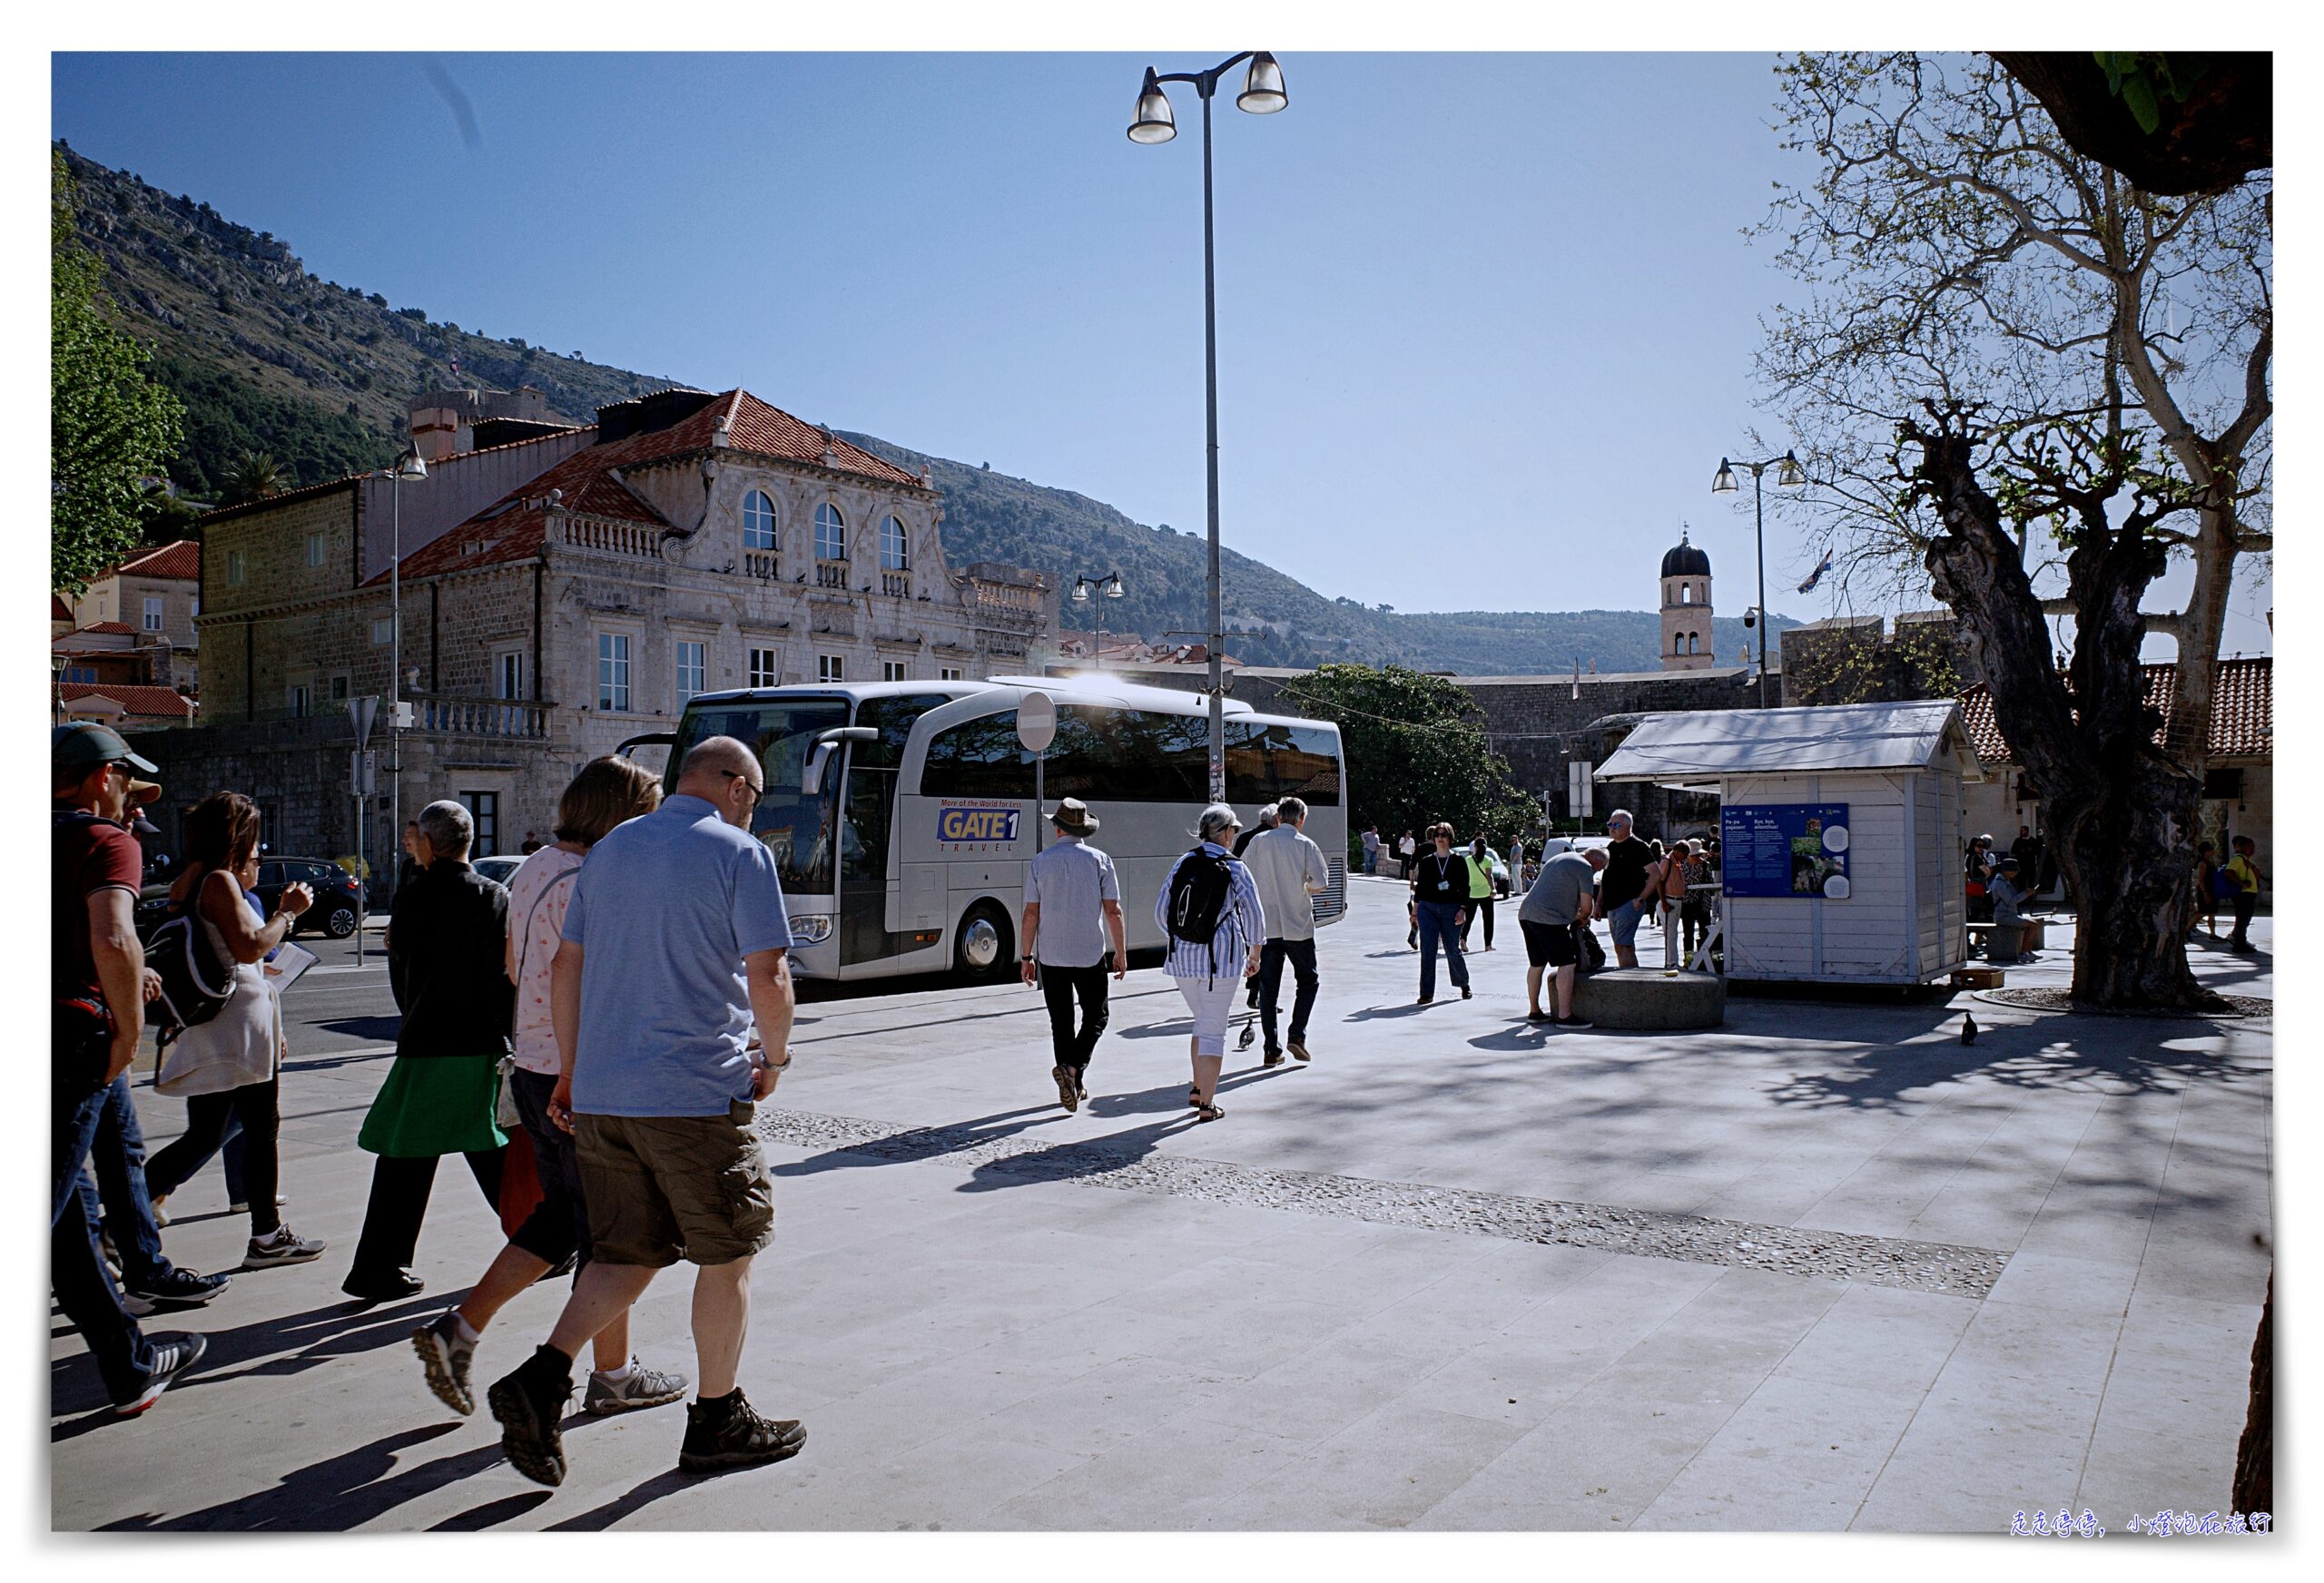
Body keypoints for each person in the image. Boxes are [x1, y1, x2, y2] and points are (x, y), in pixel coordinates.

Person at [487, 738, 803, 1487]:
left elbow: (567, 966)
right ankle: (719, 1419)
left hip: (603, 1093)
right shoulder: (738, 852)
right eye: (752, 798)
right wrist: (776, 1059)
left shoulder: (611, 849)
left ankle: (541, 1379)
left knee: (626, 1250)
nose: (750, 811)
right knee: (728, 1249)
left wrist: (572, 1071)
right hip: (692, 1092)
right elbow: (770, 972)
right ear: (733, 786)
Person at [413, 757, 689, 1420]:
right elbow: (603, 982)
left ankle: (462, 1328)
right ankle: (610, 1374)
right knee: (617, 1232)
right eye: (647, 811)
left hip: (535, 1067)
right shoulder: (595, 879)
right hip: (581, 1072)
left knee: (570, 1218)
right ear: (620, 814)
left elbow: (513, 966)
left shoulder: (533, 869)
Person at [51, 723, 210, 1413]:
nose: (132, 803)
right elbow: (113, 935)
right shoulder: (104, 842)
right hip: (75, 1035)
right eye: (128, 783)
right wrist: (129, 1035)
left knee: (74, 1212)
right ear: (101, 776)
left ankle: (129, 1364)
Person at [143, 791, 328, 1273]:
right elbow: (249, 947)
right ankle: (266, 1236)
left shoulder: (192, 878)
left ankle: (128, 1221)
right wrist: (287, 913)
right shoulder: (219, 881)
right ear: (237, 833)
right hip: (237, 1027)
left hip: (218, 1021)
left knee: (206, 1133)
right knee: (259, 1127)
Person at [341, 800, 512, 1303]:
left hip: (424, 1036)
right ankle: (539, 1241)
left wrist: (412, 1012)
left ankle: (379, 1265)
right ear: (470, 842)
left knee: (411, 1154)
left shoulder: (411, 897)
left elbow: (400, 969)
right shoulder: (493, 896)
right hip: (476, 1040)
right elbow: (503, 976)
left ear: (431, 845)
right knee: (487, 1147)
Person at [1156, 805, 1265, 1123]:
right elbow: (1255, 915)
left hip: (1183, 961)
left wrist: (1183, 937)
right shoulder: (1235, 867)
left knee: (1201, 1021)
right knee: (1214, 1030)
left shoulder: (1184, 862)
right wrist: (1254, 953)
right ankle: (1207, 1104)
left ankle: (1196, 1087)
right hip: (1222, 961)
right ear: (1228, 832)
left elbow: (1161, 912)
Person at [1019, 797, 1126, 1113]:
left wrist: (1025, 957)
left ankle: (1070, 1076)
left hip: (1051, 954)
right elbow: (1113, 911)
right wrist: (1120, 952)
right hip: (1089, 953)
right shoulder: (1100, 860)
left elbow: (1030, 914)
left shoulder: (1041, 862)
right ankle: (1073, 1072)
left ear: (1057, 829)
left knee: (1060, 1021)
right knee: (1097, 1015)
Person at [1243, 794, 1331, 1067]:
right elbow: (1321, 882)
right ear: (1301, 819)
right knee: (1308, 980)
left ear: (1278, 817)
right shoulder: (1306, 845)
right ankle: (1297, 1034)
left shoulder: (1258, 842)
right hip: (1298, 925)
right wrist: (1303, 887)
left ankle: (1271, 1048)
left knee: (1268, 989)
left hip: (1266, 926)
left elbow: (1243, 873)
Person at [1520, 844, 1604, 1027]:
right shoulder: (1585, 867)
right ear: (1596, 861)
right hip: (1549, 919)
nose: (1597, 873)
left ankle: (1534, 1011)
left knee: (1537, 963)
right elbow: (1587, 907)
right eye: (1600, 868)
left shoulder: (1558, 859)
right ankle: (1565, 1016)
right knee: (1567, 963)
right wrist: (1582, 919)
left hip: (1526, 914)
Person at [1232, 804, 1279, 1049]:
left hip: (1244, 899)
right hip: (1267, 902)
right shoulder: (1272, 839)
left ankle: (1254, 992)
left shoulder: (1244, 837)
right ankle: (1259, 995)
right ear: (1275, 820)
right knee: (1264, 947)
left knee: (1253, 944)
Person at [1409, 824, 1473, 1004]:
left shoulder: (1459, 861)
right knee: (1427, 951)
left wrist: (1463, 909)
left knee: (1452, 950)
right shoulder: (1427, 861)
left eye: (1444, 835)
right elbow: (1420, 889)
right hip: (1428, 908)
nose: (1440, 838)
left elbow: (1465, 888)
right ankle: (1426, 993)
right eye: (1437, 834)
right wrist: (1414, 913)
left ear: (1450, 838)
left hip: (1451, 908)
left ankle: (1464, 984)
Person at [1600, 810, 1654, 969]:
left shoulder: (1638, 846)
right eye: (1610, 824)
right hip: (1612, 905)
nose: (1612, 828)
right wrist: (1598, 904)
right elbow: (1606, 877)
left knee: (1622, 944)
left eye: (1616, 825)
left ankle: (1627, 979)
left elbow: (1655, 873)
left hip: (1629, 903)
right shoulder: (1610, 847)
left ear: (1628, 827)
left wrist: (1641, 898)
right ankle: (1632, 977)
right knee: (1622, 946)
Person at [1459, 836, 1498, 950]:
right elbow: (1489, 876)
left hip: (1471, 893)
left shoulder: (1468, 860)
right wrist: (1493, 889)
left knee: (1468, 919)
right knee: (1488, 920)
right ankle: (1488, 945)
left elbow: (1464, 877)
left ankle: (1463, 938)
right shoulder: (1488, 860)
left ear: (1475, 847)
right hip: (1486, 893)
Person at [1679, 840, 1714, 963]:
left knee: (1705, 932)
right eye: (1694, 855)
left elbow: (1710, 883)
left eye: (1698, 855)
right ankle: (1688, 959)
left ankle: (1705, 958)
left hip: (1703, 903)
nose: (1697, 858)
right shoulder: (1680, 865)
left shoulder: (1706, 865)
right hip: (1686, 904)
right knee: (1688, 933)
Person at [2226, 836, 2263, 950]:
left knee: (2245, 918)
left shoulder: (2247, 861)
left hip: (2249, 893)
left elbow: (2257, 874)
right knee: (2243, 918)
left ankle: (2239, 939)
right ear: (2241, 848)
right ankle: (2239, 943)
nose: (2252, 849)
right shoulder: (2238, 859)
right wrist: (2242, 883)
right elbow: (2229, 872)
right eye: (2248, 847)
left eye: (2253, 847)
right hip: (2243, 894)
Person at [2192, 840, 2221, 940]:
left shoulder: (2211, 862)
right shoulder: (2202, 863)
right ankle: (2186, 929)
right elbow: (2201, 879)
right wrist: (2205, 893)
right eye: (2211, 850)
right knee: (2202, 912)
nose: (2213, 852)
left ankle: (2213, 934)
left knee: (2212, 913)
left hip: (2212, 889)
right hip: (2205, 890)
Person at [1965, 835, 1995, 925]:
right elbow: (1987, 872)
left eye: (1983, 846)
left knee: (1973, 910)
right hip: (1979, 885)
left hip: (1970, 885)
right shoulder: (1977, 857)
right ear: (1973, 846)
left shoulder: (1968, 856)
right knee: (1986, 907)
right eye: (1978, 846)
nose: (1981, 848)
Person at [2011, 825, 2043, 892]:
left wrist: (2032, 850)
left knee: (2031, 880)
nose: (2020, 832)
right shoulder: (2018, 841)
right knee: (2021, 880)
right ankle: (2020, 895)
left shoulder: (2033, 841)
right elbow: (2013, 851)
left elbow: (2038, 851)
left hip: (2031, 864)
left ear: (2026, 831)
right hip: (2021, 864)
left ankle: (2030, 896)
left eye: (2022, 831)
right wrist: (2020, 850)